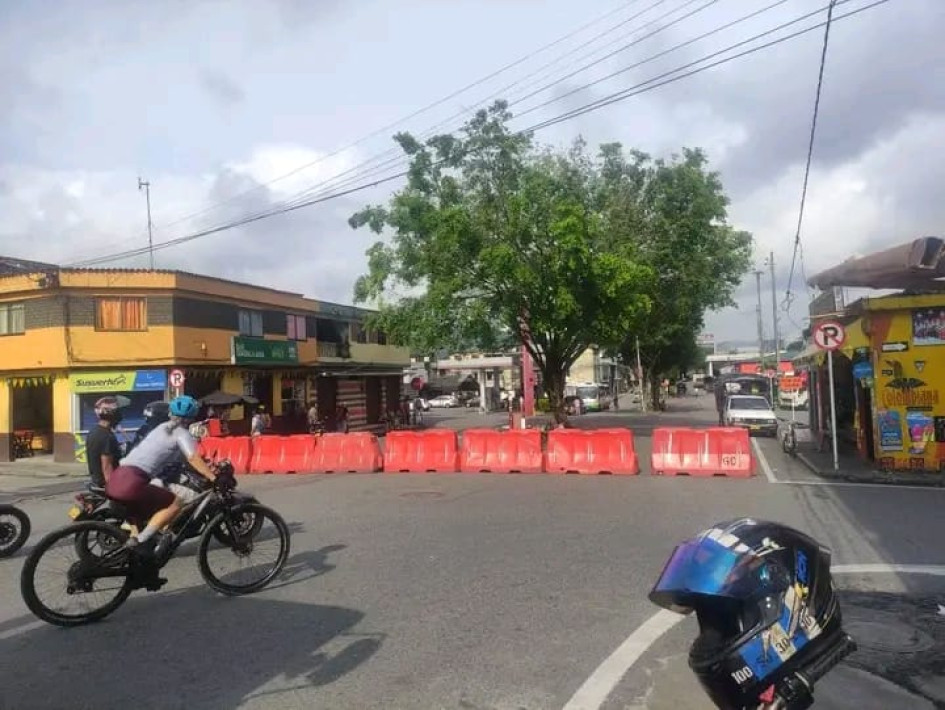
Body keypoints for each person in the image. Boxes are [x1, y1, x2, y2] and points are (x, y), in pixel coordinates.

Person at [106, 395, 217, 554]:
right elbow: (192, 457)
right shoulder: (182, 434)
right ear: (193, 417)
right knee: (175, 503)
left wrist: (203, 468)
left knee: (143, 515)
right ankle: (142, 540)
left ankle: (138, 555)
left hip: (117, 478)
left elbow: (183, 459)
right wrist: (214, 477)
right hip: (133, 482)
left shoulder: (160, 428)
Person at [85, 396, 124, 490]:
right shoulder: (106, 436)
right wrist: (113, 489)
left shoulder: (94, 431)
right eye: (118, 412)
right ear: (112, 415)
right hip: (105, 483)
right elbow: (107, 466)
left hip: (96, 480)